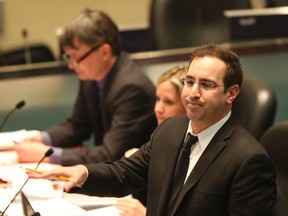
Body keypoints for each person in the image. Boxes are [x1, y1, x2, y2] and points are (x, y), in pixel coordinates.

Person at [27, 44, 276, 216]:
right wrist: (81, 173)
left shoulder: (248, 160)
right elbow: (124, 173)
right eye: (189, 82)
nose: (193, 93)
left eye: (207, 85)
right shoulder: (171, 129)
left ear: (231, 93)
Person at [14, 8, 157, 165]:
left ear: (104, 52)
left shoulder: (133, 89)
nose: (71, 66)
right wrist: (42, 138)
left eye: (76, 58)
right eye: (68, 57)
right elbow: (78, 125)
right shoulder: (91, 76)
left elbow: (111, 154)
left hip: (134, 181)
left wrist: (49, 155)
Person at [117, 65, 187, 215]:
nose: (158, 108)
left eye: (168, 102)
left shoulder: (193, 148)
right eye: (157, 99)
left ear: (188, 106)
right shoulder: (161, 138)